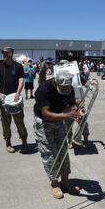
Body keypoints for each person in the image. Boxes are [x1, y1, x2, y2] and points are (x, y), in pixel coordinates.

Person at [33, 70, 84, 199]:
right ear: (56, 82)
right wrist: (67, 115)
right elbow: (46, 114)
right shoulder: (43, 90)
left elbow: (72, 105)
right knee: (49, 153)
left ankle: (66, 181)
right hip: (44, 122)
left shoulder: (69, 88)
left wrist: (76, 113)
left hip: (59, 119)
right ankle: (55, 183)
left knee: (63, 150)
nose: (66, 90)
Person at [0, 47, 29, 153]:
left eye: (6, 53)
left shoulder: (18, 66)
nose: (4, 54)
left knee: (19, 121)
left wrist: (18, 93)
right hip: (3, 98)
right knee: (5, 121)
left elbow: (21, 80)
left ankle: (24, 142)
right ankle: (8, 143)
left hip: (15, 98)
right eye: (3, 53)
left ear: (11, 53)